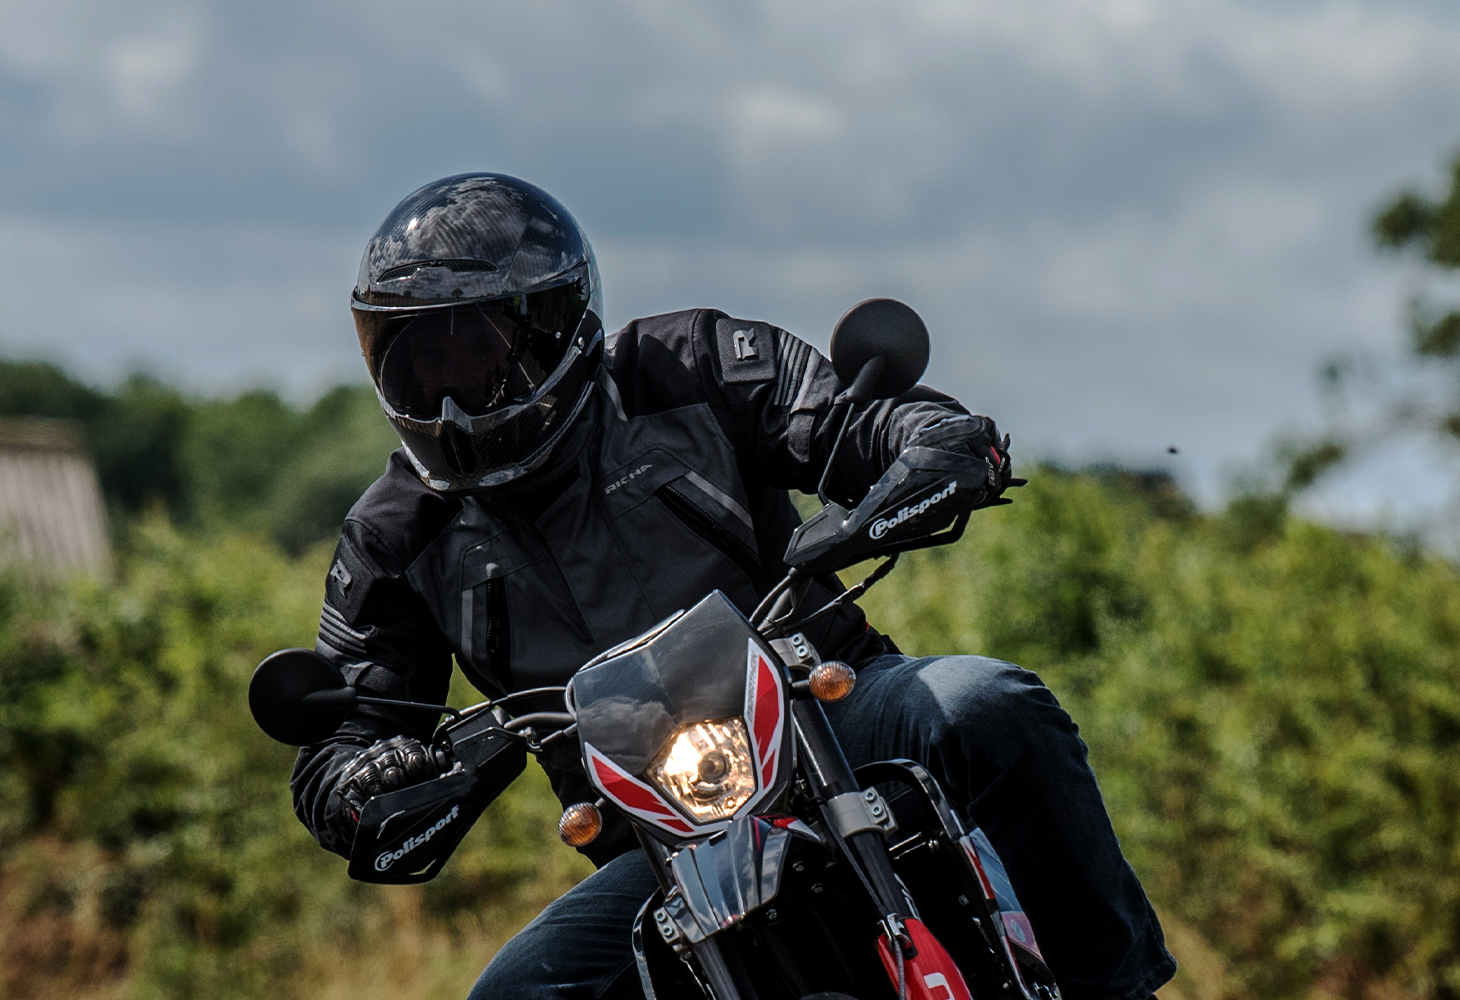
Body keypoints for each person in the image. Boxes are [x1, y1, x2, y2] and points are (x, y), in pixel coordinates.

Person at [290, 172, 1175, 1000]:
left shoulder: (691, 367)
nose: (451, 396)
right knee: (515, 993)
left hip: (832, 715)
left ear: (557, 327)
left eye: (476, 355)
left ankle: (1117, 988)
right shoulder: (395, 533)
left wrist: (931, 443)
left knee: (986, 705)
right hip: (654, 834)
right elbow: (343, 729)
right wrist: (366, 778)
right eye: (421, 364)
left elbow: (848, 420)